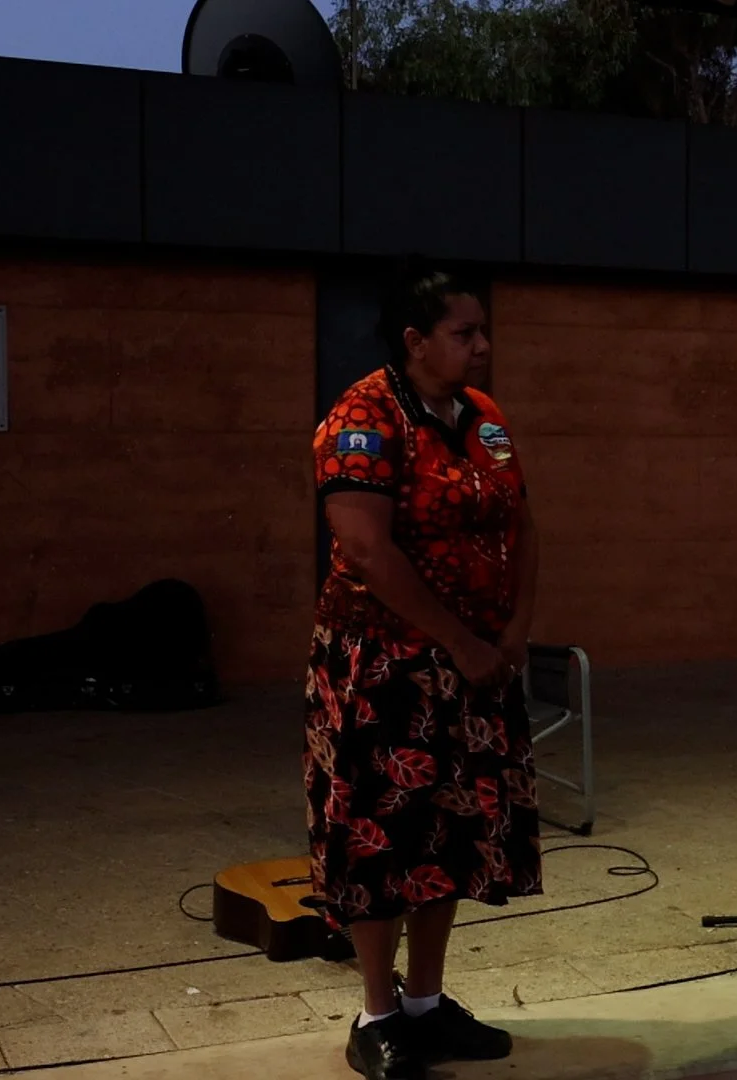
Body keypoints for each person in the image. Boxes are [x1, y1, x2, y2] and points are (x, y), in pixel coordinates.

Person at [306, 270, 543, 1078]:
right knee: (382, 839)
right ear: (414, 341)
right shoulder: (362, 419)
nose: (482, 346)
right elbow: (370, 553)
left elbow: (522, 520)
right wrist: (460, 642)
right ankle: (375, 1015)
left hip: (473, 665)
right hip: (384, 665)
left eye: (483, 331)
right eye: (464, 333)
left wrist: (513, 627)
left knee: (449, 833)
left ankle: (425, 1004)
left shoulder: (485, 417)